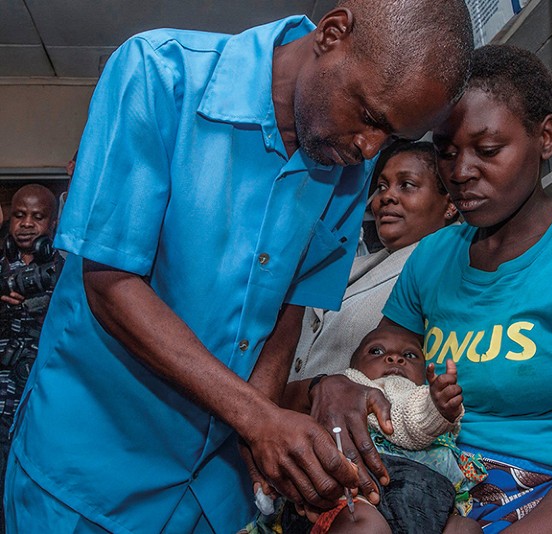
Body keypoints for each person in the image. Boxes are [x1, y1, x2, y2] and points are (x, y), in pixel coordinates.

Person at [3, 2, 473, 532]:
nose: (369, 147)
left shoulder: (347, 164)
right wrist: (256, 417)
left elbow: (290, 309)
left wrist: (263, 434)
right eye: (368, 116)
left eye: (389, 138)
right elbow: (109, 283)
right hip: (91, 472)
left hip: (213, 492)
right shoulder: (159, 73)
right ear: (333, 33)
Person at [309, 45, 552, 533]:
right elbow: (377, 366)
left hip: (544, 502)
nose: (461, 172)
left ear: (545, 137)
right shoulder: (435, 255)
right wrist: (333, 386)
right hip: (430, 486)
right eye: (448, 152)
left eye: (488, 149)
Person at [248, 325, 483, 534]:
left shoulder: (421, 397)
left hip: (427, 501)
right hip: (354, 499)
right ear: (353, 366)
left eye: (410, 355)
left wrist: (440, 405)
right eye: (376, 351)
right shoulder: (342, 390)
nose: (395, 358)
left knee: (466, 529)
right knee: (365, 527)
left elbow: (420, 420)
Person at [289, 141, 457, 382]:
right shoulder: (354, 263)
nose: (387, 196)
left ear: (450, 204)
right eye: (381, 186)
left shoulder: (447, 267)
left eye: (406, 185)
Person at [0, 184, 63, 531]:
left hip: (42, 389)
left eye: (37, 217)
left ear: (52, 224)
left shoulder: (63, 268)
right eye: (19, 216)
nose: (26, 224)